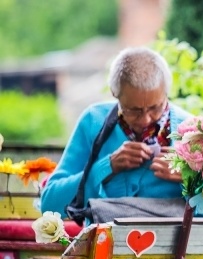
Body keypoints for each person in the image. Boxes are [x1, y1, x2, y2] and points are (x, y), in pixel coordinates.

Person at [40, 47, 191, 220]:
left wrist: (190, 178)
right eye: (133, 110)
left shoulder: (192, 131)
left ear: (166, 93)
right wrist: (106, 167)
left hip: (174, 239)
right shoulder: (93, 121)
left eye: (155, 108)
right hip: (103, 238)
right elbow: (49, 204)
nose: (145, 120)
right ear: (114, 93)